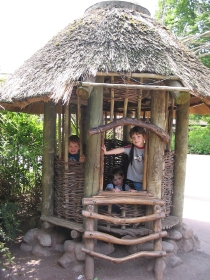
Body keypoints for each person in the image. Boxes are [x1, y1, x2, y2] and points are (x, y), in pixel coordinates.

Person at [102, 126, 145, 191]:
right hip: (137, 179)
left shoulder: (148, 148)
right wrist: (106, 152)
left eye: (138, 136)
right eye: (133, 137)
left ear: (144, 137)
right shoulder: (131, 148)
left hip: (148, 179)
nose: (136, 139)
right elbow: (120, 150)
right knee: (142, 194)